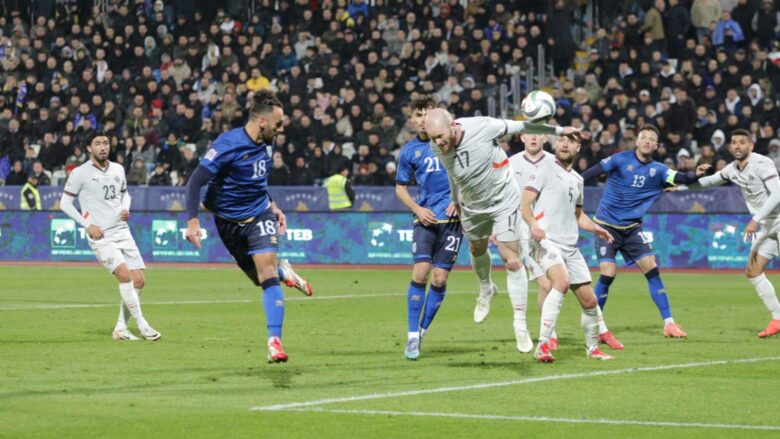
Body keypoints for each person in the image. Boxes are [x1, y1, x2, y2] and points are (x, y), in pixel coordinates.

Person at [424, 108, 580, 355]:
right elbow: (453, 174)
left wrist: (560, 131)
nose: (438, 142)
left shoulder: (484, 127)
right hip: (473, 205)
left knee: (512, 261)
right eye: (433, 138)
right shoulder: (437, 147)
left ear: (453, 125)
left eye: (440, 136)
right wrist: (455, 200)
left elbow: (525, 126)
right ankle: (486, 288)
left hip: (504, 200)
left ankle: (520, 324)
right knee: (477, 249)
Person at [184, 90, 312, 364]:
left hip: (259, 214)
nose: (280, 130)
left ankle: (274, 342)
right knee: (259, 278)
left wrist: (273, 205)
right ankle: (284, 272)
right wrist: (193, 221)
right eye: (277, 124)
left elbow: (259, 181)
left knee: (266, 276)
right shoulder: (227, 144)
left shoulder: (269, 143)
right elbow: (195, 182)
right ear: (262, 122)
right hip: (227, 222)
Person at [581, 125, 710, 338]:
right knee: (608, 273)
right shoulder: (619, 159)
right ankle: (596, 324)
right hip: (605, 226)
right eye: (644, 137)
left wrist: (695, 173)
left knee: (652, 268)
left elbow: (681, 178)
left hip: (632, 228)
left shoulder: (659, 170)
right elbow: (589, 174)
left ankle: (669, 324)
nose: (647, 141)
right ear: (637, 142)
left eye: (652, 139)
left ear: (656, 145)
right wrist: (570, 185)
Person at [509, 133, 623, 351]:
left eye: (570, 141)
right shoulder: (543, 168)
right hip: (546, 241)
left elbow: (578, 216)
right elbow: (525, 204)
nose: (564, 144)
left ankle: (593, 349)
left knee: (590, 302)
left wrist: (596, 227)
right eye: (561, 140)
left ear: (578, 147)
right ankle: (544, 343)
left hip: (570, 247)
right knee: (558, 283)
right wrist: (533, 224)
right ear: (555, 144)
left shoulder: (578, 180)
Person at [59, 131, 161, 342]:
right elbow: (65, 204)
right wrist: (88, 225)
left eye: (106, 143)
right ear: (89, 148)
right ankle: (143, 325)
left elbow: (125, 193)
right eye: (98, 144)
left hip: (122, 230)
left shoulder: (118, 169)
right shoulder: (80, 173)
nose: (103, 147)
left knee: (139, 281)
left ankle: (121, 328)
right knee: (124, 275)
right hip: (101, 235)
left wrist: (125, 207)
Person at [694, 129, 780, 338]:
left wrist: (755, 220)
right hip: (768, 225)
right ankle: (778, 319)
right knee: (753, 271)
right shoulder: (732, 169)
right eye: (734, 142)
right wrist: (678, 186)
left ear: (751, 145)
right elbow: (710, 181)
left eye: (742, 142)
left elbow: (778, 193)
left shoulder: (762, 163)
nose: (738, 146)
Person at [395, 95, 462, 360]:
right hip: (425, 219)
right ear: (412, 119)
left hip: (453, 221)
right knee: (421, 273)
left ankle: (421, 332)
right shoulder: (410, 151)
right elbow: (400, 188)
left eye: (427, 113)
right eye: (418, 115)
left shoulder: (453, 143)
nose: (423, 119)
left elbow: (470, 174)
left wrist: (460, 201)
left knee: (439, 278)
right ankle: (412, 337)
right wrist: (417, 209)